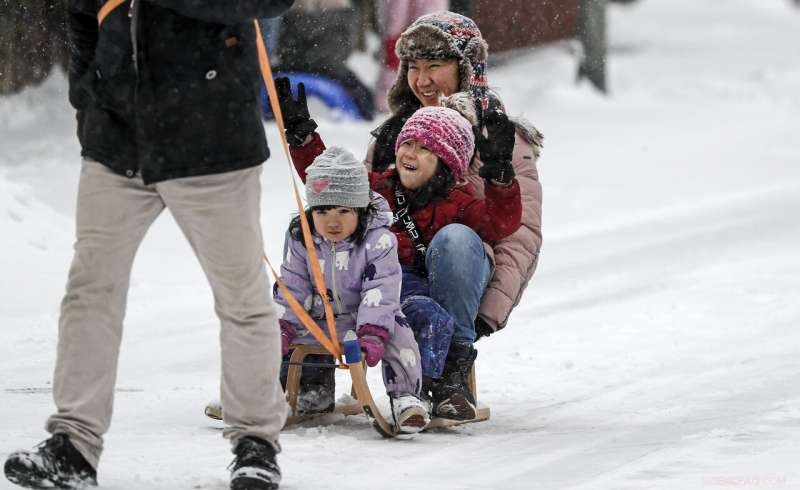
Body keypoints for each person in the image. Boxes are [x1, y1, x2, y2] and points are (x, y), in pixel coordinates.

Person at [3, 1, 294, 489]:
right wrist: (88, 101)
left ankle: (255, 444)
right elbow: (81, 14)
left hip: (214, 140)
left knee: (241, 299)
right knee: (90, 293)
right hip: (118, 142)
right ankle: (74, 445)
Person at [278, 11, 543, 421]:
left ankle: (449, 374)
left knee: (454, 238)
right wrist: (305, 142)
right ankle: (305, 378)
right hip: (385, 269)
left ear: (466, 68)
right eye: (414, 68)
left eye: (435, 66)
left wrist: (486, 313)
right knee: (313, 236)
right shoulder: (393, 135)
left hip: (461, 271)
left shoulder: (499, 135)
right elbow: (351, 196)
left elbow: (518, 232)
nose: (423, 80)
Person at [277, 146, 429, 433]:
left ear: (360, 209)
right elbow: (292, 284)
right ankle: (275, 394)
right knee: (264, 333)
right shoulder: (304, 239)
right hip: (319, 319)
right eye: (322, 211)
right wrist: (283, 324)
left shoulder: (379, 241)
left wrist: (372, 332)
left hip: (365, 319)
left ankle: (405, 397)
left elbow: (382, 290)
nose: (332, 221)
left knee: (400, 333)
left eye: (343, 211)